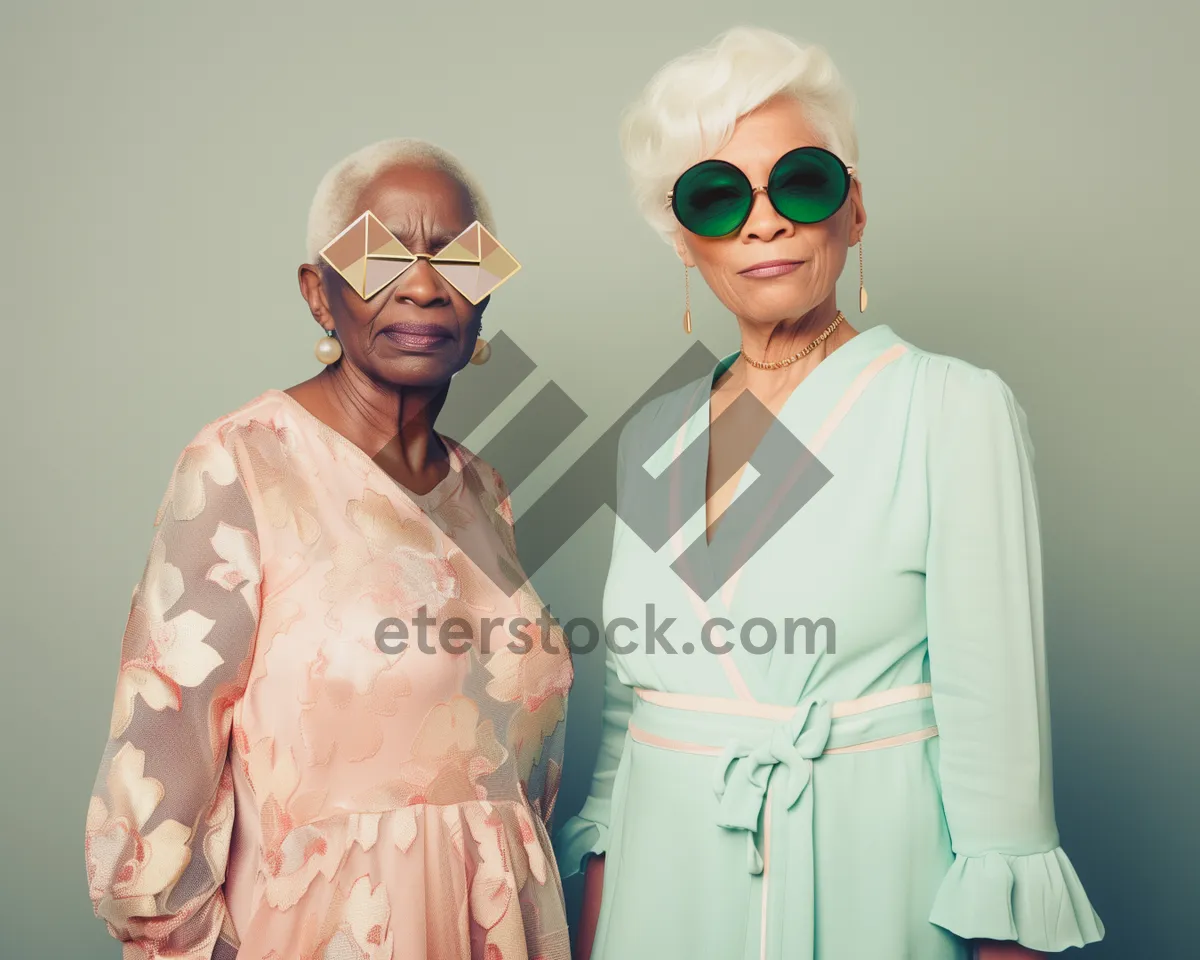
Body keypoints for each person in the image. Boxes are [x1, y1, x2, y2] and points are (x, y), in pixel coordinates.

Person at [555, 27, 1103, 960]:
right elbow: (627, 722)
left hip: (869, 879)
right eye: (719, 197)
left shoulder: (951, 408)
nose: (763, 223)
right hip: (665, 895)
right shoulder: (658, 433)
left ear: (853, 211)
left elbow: (1001, 749)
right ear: (684, 240)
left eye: (801, 183)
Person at [85, 138, 573, 960]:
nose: (422, 285)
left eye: (455, 262)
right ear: (320, 295)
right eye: (380, 258)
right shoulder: (243, 464)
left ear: (483, 300)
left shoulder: (484, 493)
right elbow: (159, 766)